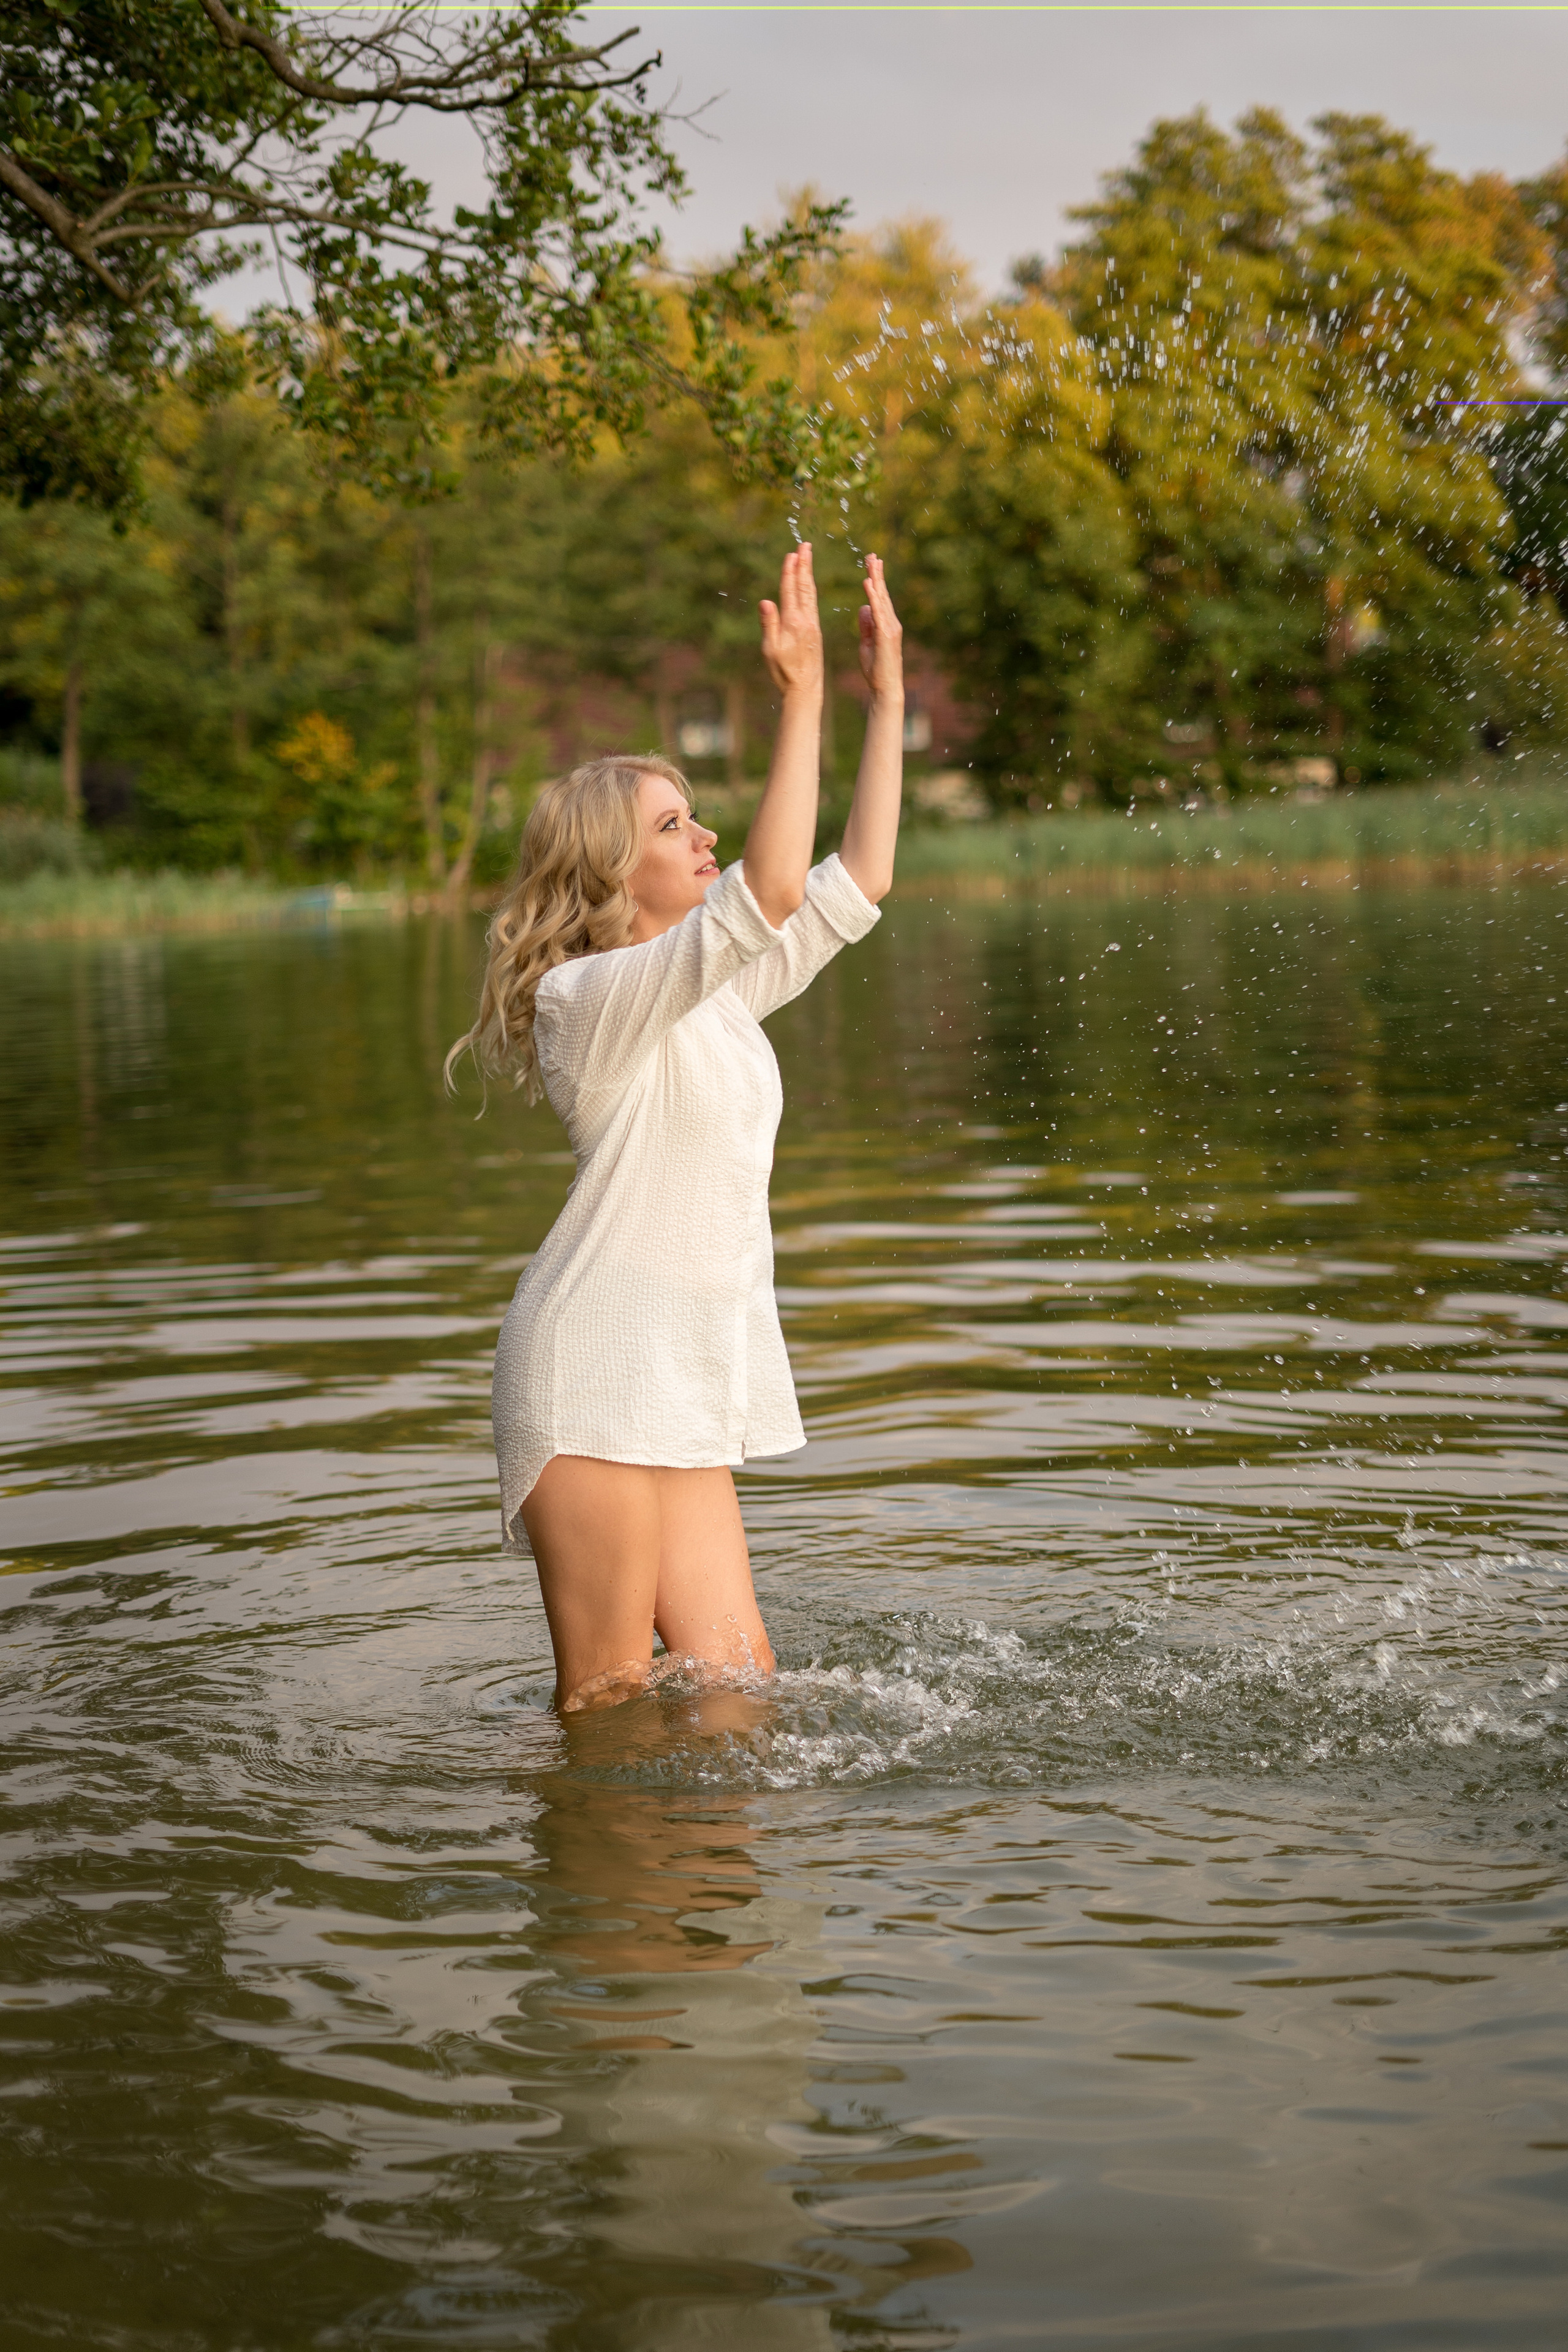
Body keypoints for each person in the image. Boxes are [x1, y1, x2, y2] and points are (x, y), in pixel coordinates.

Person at [448, 545, 903, 1711]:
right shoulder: (585, 1004)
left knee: (741, 1701)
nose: (703, 839)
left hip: (681, 1384)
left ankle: (695, 1886)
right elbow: (771, 892)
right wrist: (797, 696)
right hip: (591, 1374)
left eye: (698, 819)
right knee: (605, 1705)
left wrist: (880, 698)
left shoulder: (713, 993)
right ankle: (598, 1884)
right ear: (612, 869)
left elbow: (854, 882)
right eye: (675, 826)